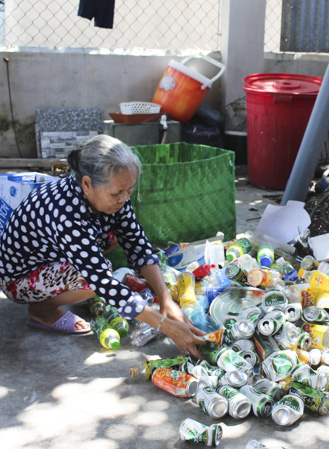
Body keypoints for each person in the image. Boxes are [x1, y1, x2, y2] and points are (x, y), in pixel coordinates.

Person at [0, 135, 206, 358]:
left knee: (118, 234)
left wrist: (166, 299)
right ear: (87, 184)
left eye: (129, 190)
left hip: (54, 255)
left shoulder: (114, 199)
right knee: (91, 280)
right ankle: (41, 310)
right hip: (18, 278)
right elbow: (103, 283)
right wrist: (166, 325)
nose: (124, 198)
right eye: (117, 192)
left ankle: (60, 290)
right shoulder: (66, 212)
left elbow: (138, 245)